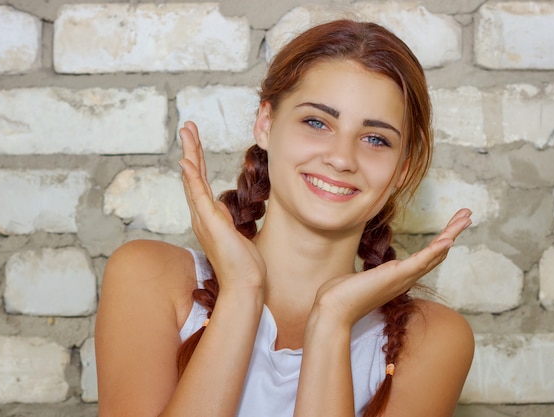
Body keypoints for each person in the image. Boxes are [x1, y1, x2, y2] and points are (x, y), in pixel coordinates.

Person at [95, 19, 474, 417]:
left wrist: (332, 320)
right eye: (317, 122)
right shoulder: (148, 276)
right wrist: (242, 291)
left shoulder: (434, 339)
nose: (342, 158)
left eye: (375, 139)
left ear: (402, 170)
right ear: (266, 123)